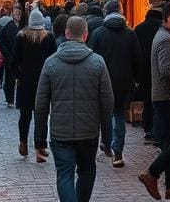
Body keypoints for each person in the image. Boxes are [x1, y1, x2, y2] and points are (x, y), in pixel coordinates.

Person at [34, 16, 114, 202]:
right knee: (87, 171)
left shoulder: (51, 63)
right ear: (86, 35)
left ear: (67, 33)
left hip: (60, 131)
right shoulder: (97, 62)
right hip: (89, 131)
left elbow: (41, 105)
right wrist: (107, 137)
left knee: (64, 174)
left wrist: (39, 138)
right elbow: (107, 102)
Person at [138, 1, 170, 201]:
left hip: (166, 96)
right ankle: (152, 173)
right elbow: (166, 69)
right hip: (166, 97)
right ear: (169, 18)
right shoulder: (165, 40)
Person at [88, 0, 143, 168]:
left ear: (106, 12)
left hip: (101, 81)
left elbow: (90, 57)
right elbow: (138, 59)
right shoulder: (130, 33)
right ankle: (117, 151)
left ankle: (105, 142)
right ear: (120, 11)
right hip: (124, 82)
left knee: (102, 114)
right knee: (118, 115)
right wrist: (137, 79)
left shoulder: (98, 33)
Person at [12, 8, 57, 157]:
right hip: (44, 82)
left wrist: (19, 76)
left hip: (25, 83)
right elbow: (54, 59)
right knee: (42, 115)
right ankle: (40, 145)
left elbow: (13, 62)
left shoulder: (21, 37)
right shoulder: (49, 37)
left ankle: (23, 142)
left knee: (24, 115)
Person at [134, 5, 163, 144]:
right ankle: (158, 130)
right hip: (160, 69)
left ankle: (148, 129)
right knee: (159, 102)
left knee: (147, 100)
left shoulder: (139, 28)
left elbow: (135, 51)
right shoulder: (163, 28)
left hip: (144, 70)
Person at [0, 5, 23, 107]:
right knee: (9, 79)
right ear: (12, 14)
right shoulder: (7, 28)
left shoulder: (23, 27)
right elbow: (1, 43)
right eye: (15, 13)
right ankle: (10, 100)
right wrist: (6, 55)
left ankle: (20, 99)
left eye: (19, 14)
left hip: (21, 58)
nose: (17, 16)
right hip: (10, 57)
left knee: (21, 79)